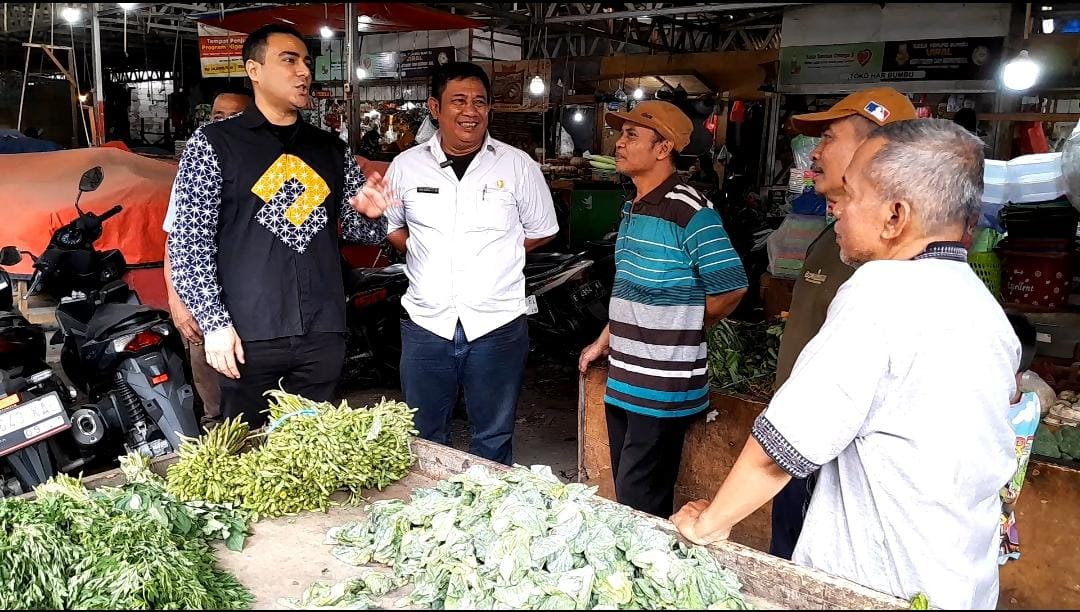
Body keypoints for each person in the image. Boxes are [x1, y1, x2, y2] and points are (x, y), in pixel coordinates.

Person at [671, 119, 1019, 610]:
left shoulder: (881, 293)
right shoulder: (982, 306)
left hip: (877, 586)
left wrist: (709, 523)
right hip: (961, 584)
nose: (837, 210)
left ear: (895, 216)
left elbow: (782, 447)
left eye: (850, 195)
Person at [168, 24, 390, 428]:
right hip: (247, 333)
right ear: (254, 70)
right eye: (289, 60)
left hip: (322, 331)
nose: (303, 71)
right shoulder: (214, 144)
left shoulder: (330, 149)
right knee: (249, 451)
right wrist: (214, 324)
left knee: (312, 446)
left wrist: (372, 215)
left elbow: (366, 234)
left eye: (306, 62)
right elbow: (189, 243)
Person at [578, 100, 748, 518]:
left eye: (631, 135)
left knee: (640, 502)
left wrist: (682, 325)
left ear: (663, 148)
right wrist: (604, 340)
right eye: (621, 134)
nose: (619, 144)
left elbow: (731, 287)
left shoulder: (689, 210)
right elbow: (630, 287)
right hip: (625, 376)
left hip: (663, 385)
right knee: (630, 492)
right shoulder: (634, 205)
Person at [383, 62, 559, 465]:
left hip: (497, 324)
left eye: (480, 102)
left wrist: (499, 256)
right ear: (435, 107)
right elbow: (392, 228)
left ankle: (490, 503)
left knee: (494, 437)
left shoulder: (517, 165)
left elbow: (542, 229)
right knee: (424, 436)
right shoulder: (406, 166)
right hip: (427, 323)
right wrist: (427, 252)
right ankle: (429, 502)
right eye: (459, 101)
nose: (470, 111)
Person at [769, 87, 916, 559]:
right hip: (797, 443)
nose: (815, 153)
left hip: (839, 461)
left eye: (829, 138)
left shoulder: (891, 258)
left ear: (877, 151)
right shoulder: (836, 240)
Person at [163, 89, 251, 427]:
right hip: (206, 307)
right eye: (217, 116)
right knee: (215, 401)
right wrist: (178, 302)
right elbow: (176, 242)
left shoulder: (262, 167)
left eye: (233, 116)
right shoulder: (196, 169)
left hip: (253, 307)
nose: (222, 123)